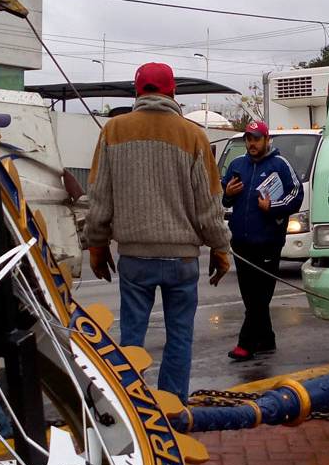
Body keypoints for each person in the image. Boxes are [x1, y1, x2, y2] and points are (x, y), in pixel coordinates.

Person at [83, 63, 231, 401]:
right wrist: (220, 248)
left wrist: (96, 245)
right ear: (172, 93)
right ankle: (174, 408)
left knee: (131, 336)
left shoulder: (113, 130)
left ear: (138, 92)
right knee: (179, 337)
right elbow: (209, 204)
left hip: (135, 258)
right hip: (182, 260)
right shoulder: (193, 135)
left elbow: (99, 198)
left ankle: (132, 407)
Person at [221, 121, 304, 361]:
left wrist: (273, 207)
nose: (252, 143)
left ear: (266, 140)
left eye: (256, 138)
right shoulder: (237, 165)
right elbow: (225, 198)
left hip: (268, 242)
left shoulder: (280, 164)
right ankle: (266, 339)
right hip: (241, 243)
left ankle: (245, 344)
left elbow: (295, 194)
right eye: (248, 138)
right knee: (250, 296)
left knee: (260, 296)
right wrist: (228, 194)